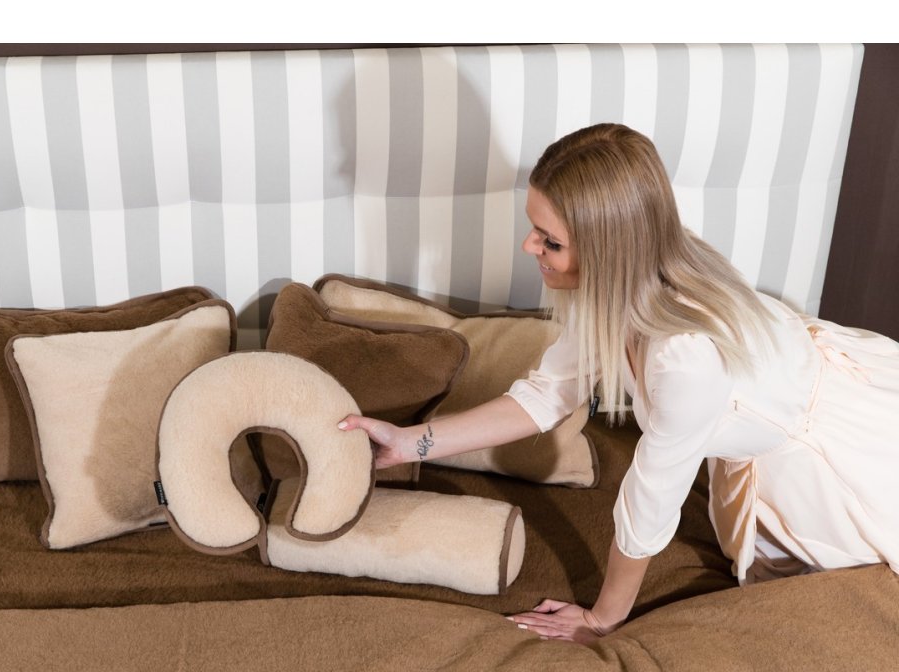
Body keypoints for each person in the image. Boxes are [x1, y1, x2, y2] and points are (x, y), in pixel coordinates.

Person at [338, 122, 899, 644]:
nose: (529, 247)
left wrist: (602, 619)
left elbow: (647, 506)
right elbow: (546, 395)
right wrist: (410, 443)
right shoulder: (622, 285)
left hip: (838, 449)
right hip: (775, 409)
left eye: (549, 240)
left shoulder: (684, 362)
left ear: (609, 250)